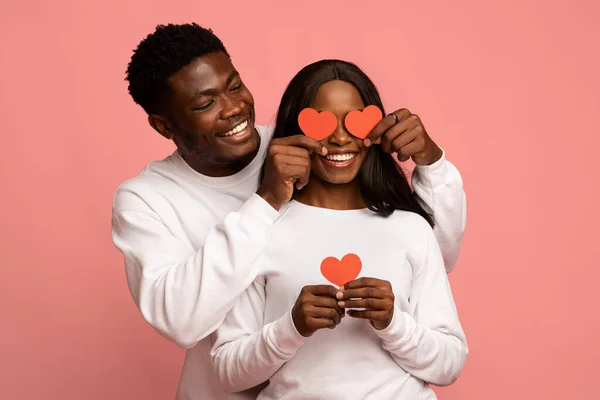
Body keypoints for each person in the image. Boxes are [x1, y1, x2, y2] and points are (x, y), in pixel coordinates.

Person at [111, 23, 466, 400]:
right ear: (164, 126)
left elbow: (430, 250)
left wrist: (431, 163)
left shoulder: (304, 141)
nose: (233, 110)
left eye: (234, 86)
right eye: (205, 103)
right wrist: (265, 201)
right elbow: (181, 320)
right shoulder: (145, 200)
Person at [210, 59, 468, 399]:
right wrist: (292, 327)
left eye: (355, 123)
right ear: (294, 131)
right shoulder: (259, 228)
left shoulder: (411, 228)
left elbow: (450, 364)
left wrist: (393, 323)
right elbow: (228, 373)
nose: (341, 137)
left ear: (375, 131)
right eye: (322, 124)